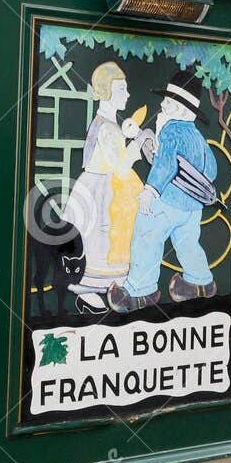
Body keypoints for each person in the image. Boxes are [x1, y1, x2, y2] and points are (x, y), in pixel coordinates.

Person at [110, 69, 219, 313]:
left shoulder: (171, 130)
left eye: (169, 103)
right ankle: (200, 282)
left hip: (166, 200)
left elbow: (166, 164)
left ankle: (140, 292)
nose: (162, 105)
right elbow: (211, 169)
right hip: (193, 208)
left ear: (182, 111)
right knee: (188, 243)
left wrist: (151, 191)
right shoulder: (197, 136)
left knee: (147, 238)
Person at [65, 62, 144, 309]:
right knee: (101, 236)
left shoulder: (107, 123)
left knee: (99, 237)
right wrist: (137, 145)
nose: (127, 95)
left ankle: (98, 289)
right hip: (103, 190)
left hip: (99, 185)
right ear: (106, 91)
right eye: (121, 89)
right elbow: (120, 166)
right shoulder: (107, 127)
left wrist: (127, 136)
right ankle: (93, 288)